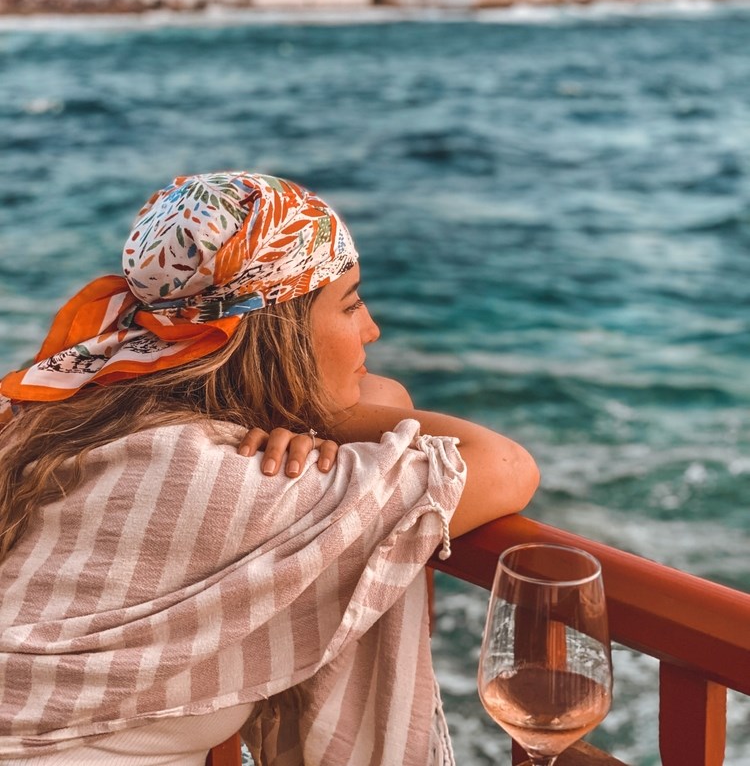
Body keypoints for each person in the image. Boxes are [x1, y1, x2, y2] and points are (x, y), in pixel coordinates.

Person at [0, 171, 539, 766]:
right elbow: (504, 466)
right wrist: (319, 416)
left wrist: (298, 409)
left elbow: (388, 399)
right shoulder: (227, 475)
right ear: (278, 333)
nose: (372, 330)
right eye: (351, 304)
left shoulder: (54, 412)